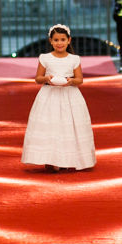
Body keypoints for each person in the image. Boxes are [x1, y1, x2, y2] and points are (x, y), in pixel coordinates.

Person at [21, 24, 95, 172]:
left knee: (68, 126)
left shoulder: (74, 59)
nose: (59, 43)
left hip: (70, 96)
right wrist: (46, 78)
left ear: (69, 40)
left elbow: (80, 79)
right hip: (49, 96)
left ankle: (68, 159)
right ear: (50, 41)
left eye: (62, 39)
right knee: (50, 126)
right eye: (56, 40)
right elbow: (37, 78)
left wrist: (71, 81)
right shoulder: (45, 58)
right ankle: (49, 158)